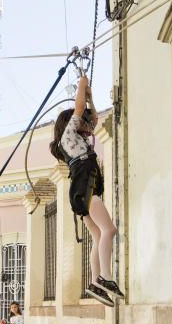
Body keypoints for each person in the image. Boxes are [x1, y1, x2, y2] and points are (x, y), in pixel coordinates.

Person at [49, 75, 124, 307]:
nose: (84, 121)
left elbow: (92, 119)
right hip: (85, 187)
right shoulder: (68, 135)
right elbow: (80, 110)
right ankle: (106, 278)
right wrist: (82, 84)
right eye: (78, 119)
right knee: (109, 230)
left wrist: (90, 98)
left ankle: (94, 283)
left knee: (98, 235)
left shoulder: (78, 137)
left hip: (82, 189)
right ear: (70, 122)